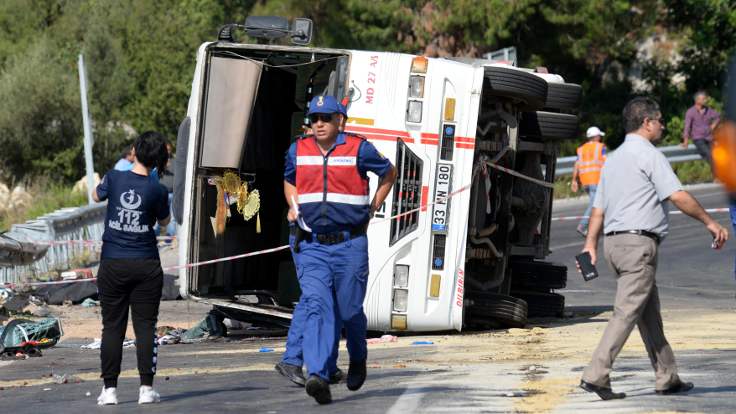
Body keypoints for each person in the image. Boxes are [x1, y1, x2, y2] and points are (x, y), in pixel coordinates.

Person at [579, 97, 728, 400]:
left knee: (649, 314)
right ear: (647, 123)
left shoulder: (614, 158)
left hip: (614, 244)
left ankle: (667, 376)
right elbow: (678, 195)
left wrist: (590, 244)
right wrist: (710, 223)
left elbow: (598, 209)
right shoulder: (649, 155)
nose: (662, 125)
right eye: (659, 120)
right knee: (625, 313)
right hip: (638, 246)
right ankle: (596, 374)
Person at [283, 95, 397, 404]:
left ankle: (358, 358)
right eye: (314, 118)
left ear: (340, 121)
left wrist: (374, 207)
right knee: (319, 307)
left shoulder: (359, 148)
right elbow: (289, 180)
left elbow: (389, 172)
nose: (318, 123)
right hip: (313, 246)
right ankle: (318, 375)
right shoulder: (298, 150)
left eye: (325, 118)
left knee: (349, 312)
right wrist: (293, 206)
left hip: (350, 245)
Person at [92, 131, 171, 406]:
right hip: (146, 264)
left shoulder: (114, 178)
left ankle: (110, 390)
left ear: (134, 151)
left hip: (113, 263)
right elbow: (164, 221)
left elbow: (95, 196)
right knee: (146, 327)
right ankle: (146, 389)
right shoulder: (158, 190)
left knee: (112, 327)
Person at [571, 126, 607, 237]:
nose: (600, 138)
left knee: (599, 204)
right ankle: (583, 225)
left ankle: (598, 227)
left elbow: (576, 164)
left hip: (585, 181)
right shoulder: (601, 147)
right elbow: (606, 162)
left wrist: (574, 180)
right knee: (594, 204)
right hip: (596, 179)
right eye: (599, 136)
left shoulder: (581, 149)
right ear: (596, 137)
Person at [682, 91, 721, 165]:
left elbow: (718, 116)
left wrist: (714, 125)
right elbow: (687, 127)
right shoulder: (690, 112)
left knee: (719, 155)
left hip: (709, 137)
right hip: (698, 139)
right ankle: (718, 174)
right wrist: (685, 140)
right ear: (697, 100)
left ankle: (720, 173)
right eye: (703, 99)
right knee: (710, 155)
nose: (705, 100)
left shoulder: (709, 110)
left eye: (705, 99)